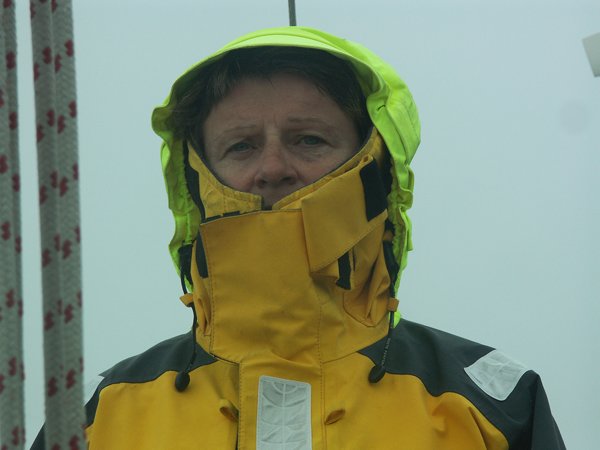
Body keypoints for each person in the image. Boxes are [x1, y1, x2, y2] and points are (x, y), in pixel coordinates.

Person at [32, 26, 565, 449]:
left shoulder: (495, 405)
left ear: (374, 167)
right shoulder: (99, 416)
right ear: (198, 178)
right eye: (241, 146)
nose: (272, 168)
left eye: (308, 139)